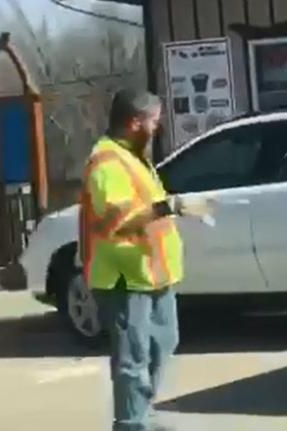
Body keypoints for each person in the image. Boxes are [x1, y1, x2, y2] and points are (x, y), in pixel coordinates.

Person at [79, 89, 213, 431]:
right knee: (133, 358)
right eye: (154, 120)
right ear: (134, 122)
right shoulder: (106, 162)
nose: (158, 126)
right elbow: (118, 221)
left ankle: (142, 415)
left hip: (152, 273)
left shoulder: (133, 155)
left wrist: (177, 206)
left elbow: (146, 205)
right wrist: (170, 206)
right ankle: (131, 423)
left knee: (162, 343)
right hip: (124, 277)